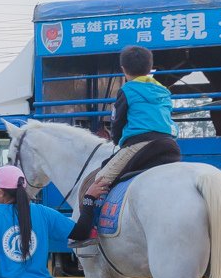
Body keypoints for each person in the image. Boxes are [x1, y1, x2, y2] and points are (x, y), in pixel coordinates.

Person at [71, 45, 181, 247]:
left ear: (123, 69)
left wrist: (118, 140)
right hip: (169, 145)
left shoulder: (127, 90)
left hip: (139, 145)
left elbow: (118, 123)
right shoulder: (163, 91)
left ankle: (87, 230)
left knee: (99, 180)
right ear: (150, 68)